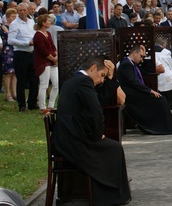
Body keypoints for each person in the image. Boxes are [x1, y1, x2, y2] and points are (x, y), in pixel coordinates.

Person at [52, 55, 131, 206]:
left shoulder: (75, 80)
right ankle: (110, 195)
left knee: (113, 147)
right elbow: (96, 112)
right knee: (114, 149)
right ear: (93, 68)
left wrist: (110, 77)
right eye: (102, 75)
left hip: (68, 137)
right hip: (72, 140)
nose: (101, 80)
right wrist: (97, 135)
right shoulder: (84, 82)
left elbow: (100, 100)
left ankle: (113, 193)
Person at [116, 44, 172, 135]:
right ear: (135, 53)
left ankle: (167, 127)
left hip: (134, 91)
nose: (141, 59)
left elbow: (148, 69)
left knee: (160, 99)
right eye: (141, 56)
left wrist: (145, 54)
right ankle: (163, 127)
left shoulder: (132, 64)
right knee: (160, 100)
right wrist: (150, 91)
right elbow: (133, 82)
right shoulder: (126, 64)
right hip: (129, 94)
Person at [7, 3, 39, 112]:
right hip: (21, 53)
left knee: (34, 79)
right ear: (17, 11)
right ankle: (21, 104)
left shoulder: (31, 21)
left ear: (28, 10)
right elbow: (10, 40)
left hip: (32, 53)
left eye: (24, 10)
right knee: (21, 80)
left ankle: (32, 102)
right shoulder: (14, 24)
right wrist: (26, 43)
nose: (22, 12)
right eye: (20, 10)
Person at [32, 14, 59, 114]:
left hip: (51, 62)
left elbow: (52, 46)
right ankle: (42, 107)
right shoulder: (38, 36)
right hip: (43, 62)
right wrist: (54, 59)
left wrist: (56, 56)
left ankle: (51, 105)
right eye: (48, 21)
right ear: (43, 23)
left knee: (56, 84)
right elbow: (44, 51)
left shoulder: (48, 33)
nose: (50, 22)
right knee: (44, 84)